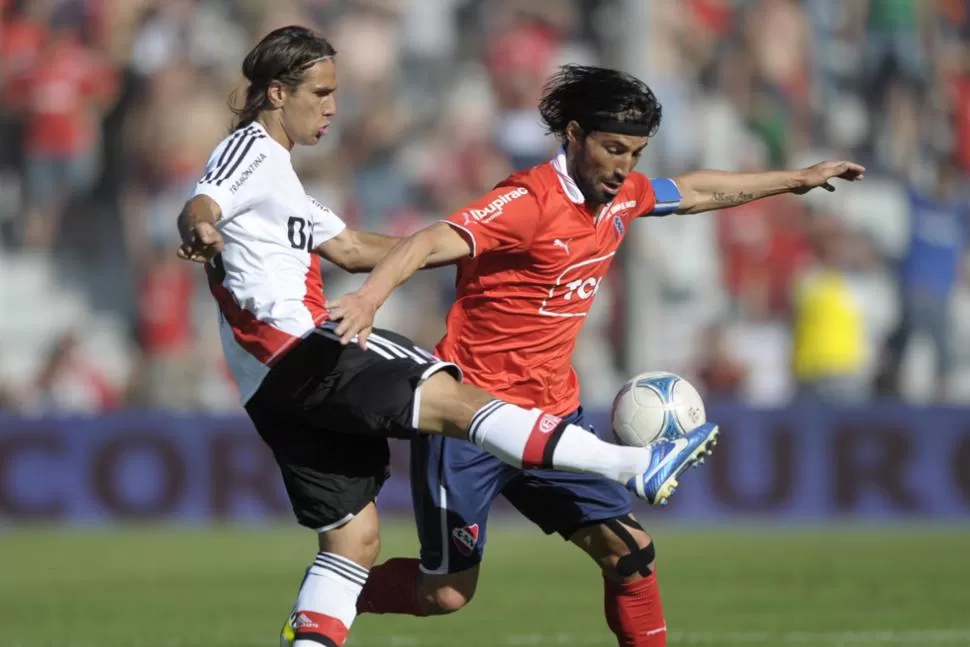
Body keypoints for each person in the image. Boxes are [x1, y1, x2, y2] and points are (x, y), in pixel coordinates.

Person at [176, 30, 718, 647]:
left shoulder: (285, 183)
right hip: (301, 350)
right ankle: (633, 462)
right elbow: (203, 202)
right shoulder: (249, 150)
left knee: (354, 545)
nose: (332, 107)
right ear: (277, 92)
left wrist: (475, 254)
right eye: (321, 93)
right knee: (456, 394)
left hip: (268, 388)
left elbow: (353, 248)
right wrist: (201, 230)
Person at [330, 65, 865, 647]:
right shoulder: (527, 201)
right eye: (613, 149)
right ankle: (326, 601)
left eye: (635, 153)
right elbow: (430, 240)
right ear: (575, 134)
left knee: (630, 554)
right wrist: (368, 298)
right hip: (469, 418)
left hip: (555, 417)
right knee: (447, 595)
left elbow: (694, 191)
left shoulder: (622, 197)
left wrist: (797, 179)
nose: (624, 167)